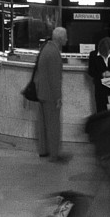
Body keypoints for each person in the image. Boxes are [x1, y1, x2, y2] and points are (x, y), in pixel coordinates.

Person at [34, 22, 68, 161]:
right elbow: (55, 79)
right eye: (66, 37)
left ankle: (44, 150)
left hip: (41, 92)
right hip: (50, 95)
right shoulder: (54, 53)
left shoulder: (46, 48)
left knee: (43, 124)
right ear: (60, 39)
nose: (67, 40)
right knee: (53, 125)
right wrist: (58, 97)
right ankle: (54, 153)